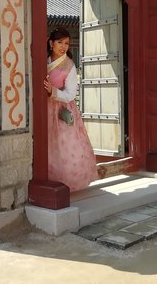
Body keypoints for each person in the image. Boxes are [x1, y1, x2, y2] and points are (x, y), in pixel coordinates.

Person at [43, 27, 99, 192]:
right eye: (59, 42)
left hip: (61, 110)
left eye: (66, 43)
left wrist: (52, 91)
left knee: (64, 148)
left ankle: (66, 182)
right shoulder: (43, 60)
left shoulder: (69, 66)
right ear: (51, 43)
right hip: (43, 109)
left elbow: (69, 95)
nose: (63, 46)